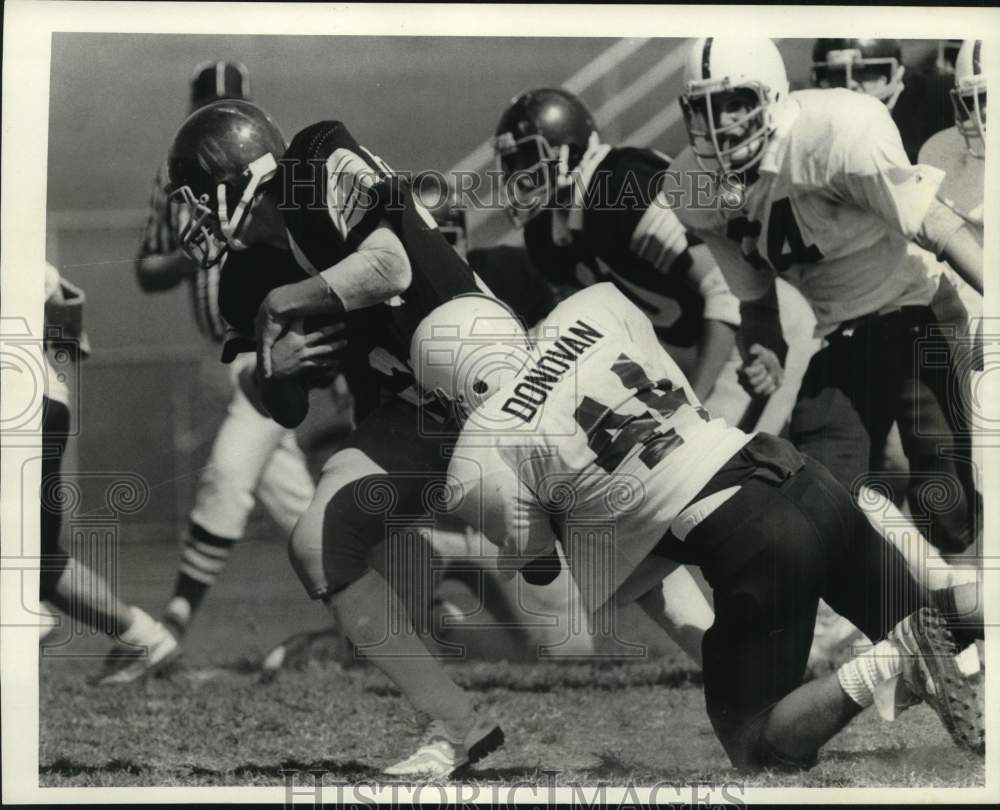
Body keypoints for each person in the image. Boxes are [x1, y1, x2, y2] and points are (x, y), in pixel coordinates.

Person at [410, 283, 984, 770]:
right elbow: (678, 395)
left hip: (750, 532)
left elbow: (538, 567)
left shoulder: (478, 454)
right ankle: (950, 616)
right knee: (937, 617)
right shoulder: (592, 308)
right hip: (792, 471)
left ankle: (888, 659)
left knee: (756, 742)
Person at [165, 98, 509, 778]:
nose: (193, 217)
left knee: (612, 548)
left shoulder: (312, 161)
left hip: (486, 367)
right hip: (414, 409)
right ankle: (459, 727)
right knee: (319, 543)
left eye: (199, 197)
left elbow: (390, 268)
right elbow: (288, 406)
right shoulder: (245, 276)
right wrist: (273, 369)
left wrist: (282, 306)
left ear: (240, 176)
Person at [666, 37, 982, 561]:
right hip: (840, 336)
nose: (721, 124)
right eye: (704, 108)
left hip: (917, 310)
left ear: (770, 94)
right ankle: (914, 611)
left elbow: (935, 224)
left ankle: (976, 603)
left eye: (736, 102)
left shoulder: (834, 131)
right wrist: (764, 347)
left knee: (945, 508)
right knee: (820, 501)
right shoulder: (692, 185)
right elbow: (755, 299)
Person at [101, 62, 329, 684]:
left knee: (229, 473)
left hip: (272, 345)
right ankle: (405, 607)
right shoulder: (175, 179)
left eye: (235, 109)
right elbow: (147, 268)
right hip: (236, 353)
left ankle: (169, 625)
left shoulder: (277, 177)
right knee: (303, 512)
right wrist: (192, 246)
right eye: (213, 110)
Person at [40, 263, 177, 668]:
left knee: (29, 556)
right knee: (39, 559)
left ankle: (20, 620)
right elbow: (69, 320)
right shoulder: (28, 255)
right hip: (43, 399)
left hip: (20, 403)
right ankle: (146, 639)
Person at [810, 39, 954, 163]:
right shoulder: (812, 121)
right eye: (838, 73)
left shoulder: (938, 100)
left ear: (894, 72)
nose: (850, 82)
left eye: (864, 72)